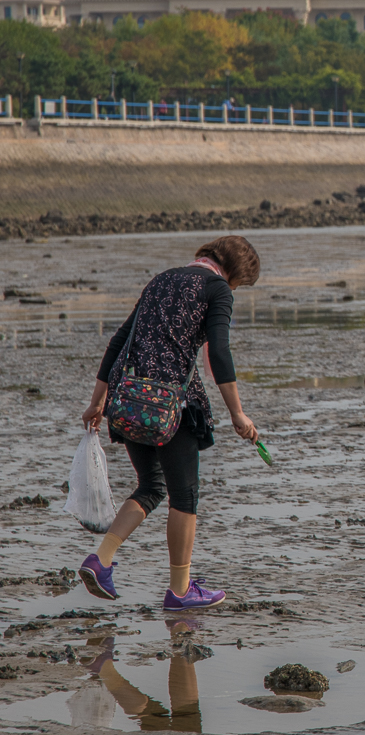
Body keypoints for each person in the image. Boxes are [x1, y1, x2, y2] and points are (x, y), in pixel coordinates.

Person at [79, 236, 261, 611]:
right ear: (234, 273)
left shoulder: (161, 279)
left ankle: (101, 560)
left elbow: (118, 341)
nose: (235, 290)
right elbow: (220, 351)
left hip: (127, 400)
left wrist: (97, 403)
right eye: (239, 285)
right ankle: (180, 592)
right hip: (169, 406)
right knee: (185, 497)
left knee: (151, 486)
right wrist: (237, 413)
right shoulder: (217, 289)